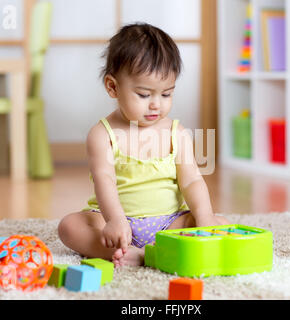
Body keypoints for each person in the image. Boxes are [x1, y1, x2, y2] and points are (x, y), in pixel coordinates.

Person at [58, 23, 229, 267]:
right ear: (113, 87)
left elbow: (191, 180)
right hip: (116, 221)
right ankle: (126, 251)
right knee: (70, 227)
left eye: (166, 94)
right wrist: (115, 220)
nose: (156, 105)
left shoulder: (176, 133)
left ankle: (150, 252)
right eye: (144, 95)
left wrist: (204, 217)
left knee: (219, 222)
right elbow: (104, 180)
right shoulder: (102, 135)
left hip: (170, 222)